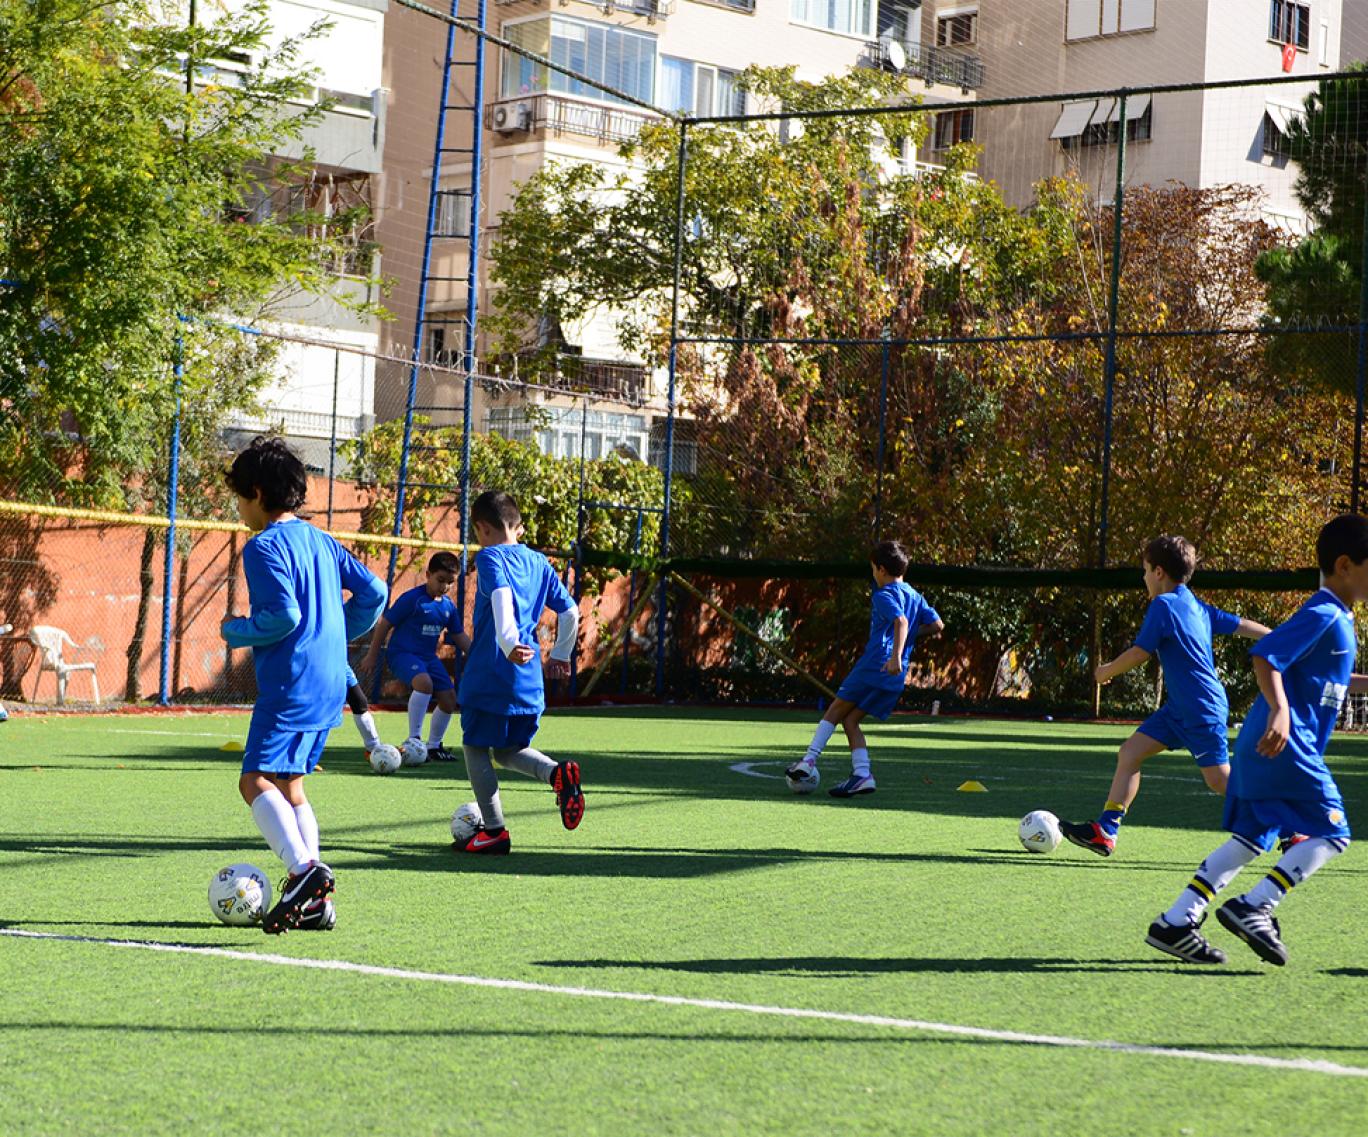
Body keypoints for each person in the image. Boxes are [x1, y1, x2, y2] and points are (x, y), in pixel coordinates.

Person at [1145, 514, 1368, 966]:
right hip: (1287, 745)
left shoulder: (1338, 619)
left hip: (1261, 746)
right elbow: (1265, 657)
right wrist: (1283, 711)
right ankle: (1256, 905)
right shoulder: (1324, 613)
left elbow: (1337, 679)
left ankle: (1176, 921)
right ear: (1345, 565)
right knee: (1334, 831)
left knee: (1252, 838)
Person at [221, 436, 386, 933]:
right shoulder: (321, 539)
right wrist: (334, 632)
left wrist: (237, 630)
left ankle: (303, 872)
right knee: (291, 784)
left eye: (238, 498)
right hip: (331, 679)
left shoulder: (263, 545)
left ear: (255, 492)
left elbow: (283, 616)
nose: (238, 509)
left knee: (253, 781)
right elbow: (374, 592)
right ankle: (313, 901)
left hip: (291, 683)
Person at [1060, 536, 1270, 857]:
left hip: (1201, 707)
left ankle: (1289, 823)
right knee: (1130, 753)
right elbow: (1241, 625)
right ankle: (1106, 830)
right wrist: (1277, 636)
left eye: (1144, 570)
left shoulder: (1164, 604)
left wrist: (1106, 671)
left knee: (1219, 781)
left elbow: (1140, 653)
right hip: (1179, 709)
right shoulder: (1195, 605)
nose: (1143, 577)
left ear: (1158, 572)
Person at [453, 490, 582, 854]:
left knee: (475, 746)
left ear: (482, 528)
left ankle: (493, 832)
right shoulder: (540, 562)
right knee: (509, 750)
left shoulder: (490, 556)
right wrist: (560, 653)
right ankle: (557, 775)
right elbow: (571, 611)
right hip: (529, 680)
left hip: (493, 670)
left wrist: (509, 644)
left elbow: (502, 599)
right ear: (517, 526)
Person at [786, 540, 942, 798]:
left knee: (835, 709)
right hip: (895, 676)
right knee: (851, 720)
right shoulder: (915, 595)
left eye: (872, 569)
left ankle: (808, 761)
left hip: (876, 664)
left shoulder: (884, 594)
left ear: (881, 569)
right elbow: (937, 625)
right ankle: (862, 775)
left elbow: (900, 622)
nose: (873, 574)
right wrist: (905, 647)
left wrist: (895, 656)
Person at [360, 552, 471, 762]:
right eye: (440, 580)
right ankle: (414, 740)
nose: (445, 586)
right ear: (428, 574)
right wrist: (373, 654)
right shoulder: (413, 599)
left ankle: (434, 746)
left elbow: (459, 636)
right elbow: (385, 623)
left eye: (450, 582)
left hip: (428, 658)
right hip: (402, 654)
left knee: (449, 700)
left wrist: (479, 656)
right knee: (424, 683)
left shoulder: (447, 607)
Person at [342, 663, 381, 754]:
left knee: (359, 702)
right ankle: (305, 755)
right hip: (317, 660)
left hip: (340, 661)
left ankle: (374, 748)